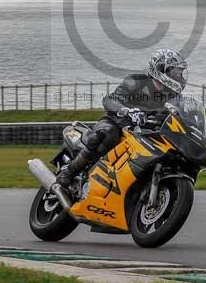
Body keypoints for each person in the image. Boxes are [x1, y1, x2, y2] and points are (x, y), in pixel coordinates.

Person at [55, 48, 188, 189]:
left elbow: (180, 116)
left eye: (180, 72)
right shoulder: (136, 81)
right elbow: (110, 100)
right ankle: (69, 173)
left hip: (144, 134)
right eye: (174, 72)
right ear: (160, 69)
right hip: (117, 124)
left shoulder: (173, 96)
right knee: (107, 134)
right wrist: (127, 111)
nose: (178, 76)